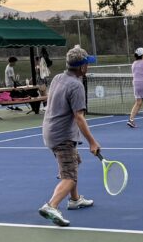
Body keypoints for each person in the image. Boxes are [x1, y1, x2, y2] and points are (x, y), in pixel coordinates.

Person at [38, 46, 101, 227]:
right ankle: (51, 205)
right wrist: (92, 142)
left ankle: (74, 200)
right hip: (62, 136)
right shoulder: (76, 86)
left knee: (74, 163)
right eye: (87, 64)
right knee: (69, 176)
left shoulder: (58, 77)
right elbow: (79, 117)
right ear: (82, 68)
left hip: (49, 131)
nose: (88, 67)